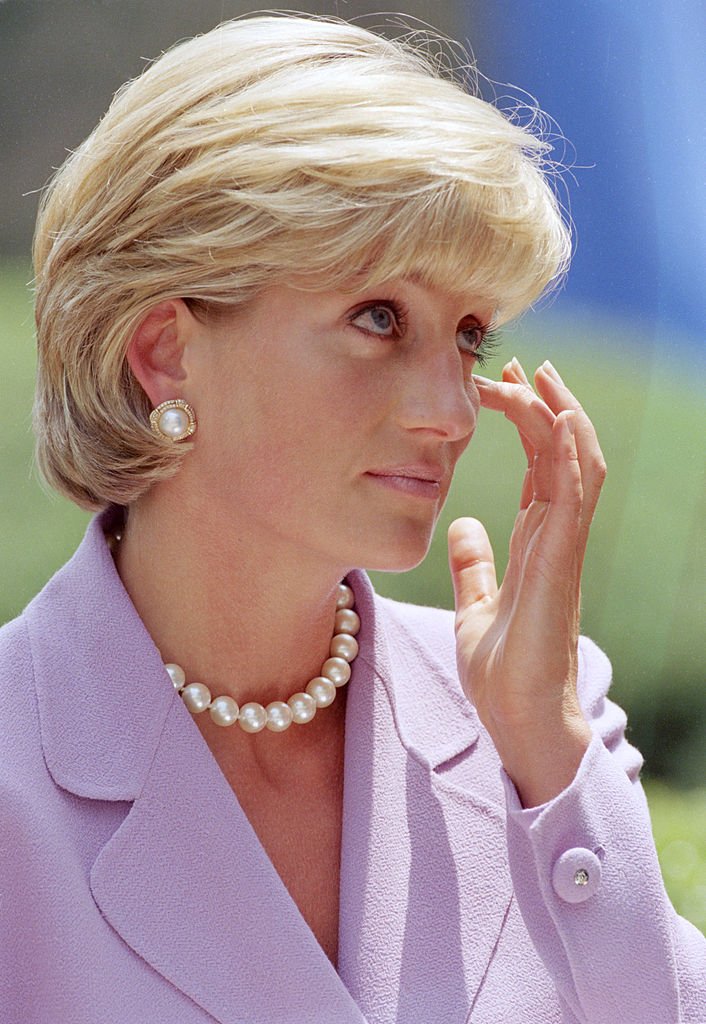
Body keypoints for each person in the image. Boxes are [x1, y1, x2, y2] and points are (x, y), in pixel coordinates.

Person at [1, 12, 704, 1024]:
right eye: (378, 318)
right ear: (164, 351)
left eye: (468, 334)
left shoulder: (544, 722)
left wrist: (547, 751)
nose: (453, 412)